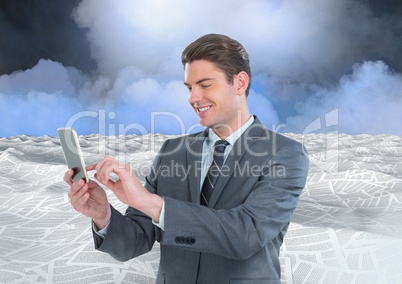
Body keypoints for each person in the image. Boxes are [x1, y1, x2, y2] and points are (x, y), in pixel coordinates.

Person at [64, 33, 309, 283]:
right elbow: (135, 241)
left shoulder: (285, 154)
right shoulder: (173, 152)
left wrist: (152, 203)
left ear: (239, 83)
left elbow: (246, 234)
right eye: (190, 88)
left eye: (205, 85)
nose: (193, 98)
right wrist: (103, 214)